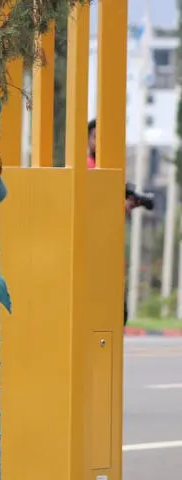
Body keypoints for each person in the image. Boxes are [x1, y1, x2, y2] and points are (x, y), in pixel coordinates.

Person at [87, 118, 149, 326]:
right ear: (87, 140)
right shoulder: (89, 168)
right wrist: (123, 206)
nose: (100, 142)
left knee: (116, 313)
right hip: (94, 251)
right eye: (96, 137)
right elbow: (95, 208)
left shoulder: (108, 171)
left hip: (109, 249)